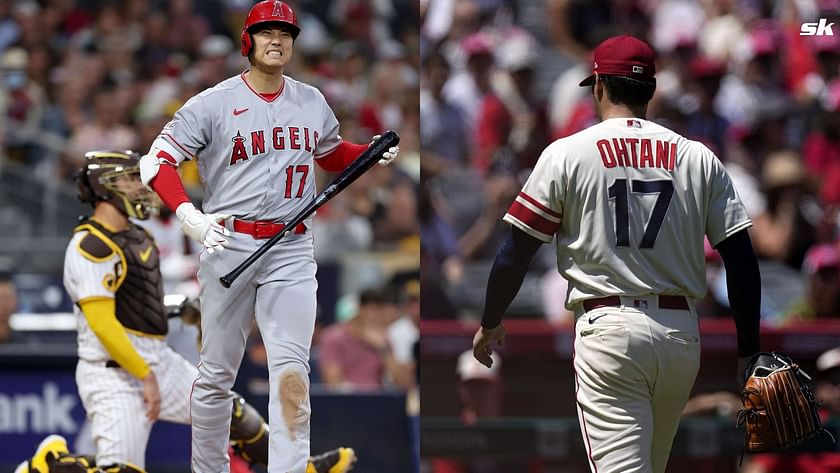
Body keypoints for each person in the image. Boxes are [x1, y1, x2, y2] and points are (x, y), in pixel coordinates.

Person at [471, 35, 762, 473]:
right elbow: (741, 260)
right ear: (650, 90)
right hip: (681, 334)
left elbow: (516, 252)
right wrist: (749, 351)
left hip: (610, 330)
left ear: (600, 86)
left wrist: (490, 321)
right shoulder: (698, 157)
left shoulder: (568, 152)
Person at [137, 1, 399, 471]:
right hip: (228, 242)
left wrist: (367, 152)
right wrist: (190, 217)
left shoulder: (311, 101)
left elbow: (332, 154)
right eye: (266, 31)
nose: (277, 39)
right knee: (216, 375)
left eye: (285, 32)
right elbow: (155, 162)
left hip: (292, 246)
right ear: (248, 40)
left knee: (293, 371)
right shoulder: (212, 102)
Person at [46, 150, 354, 473]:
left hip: (154, 359)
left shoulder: (139, 235)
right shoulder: (89, 246)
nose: (141, 186)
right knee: (121, 470)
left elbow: (134, 303)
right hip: (114, 372)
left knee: (227, 409)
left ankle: (299, 468)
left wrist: (182, 309)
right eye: (132, 178)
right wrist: (144, 375)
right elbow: (102, 324)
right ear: (104, 186)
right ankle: (47, 467)